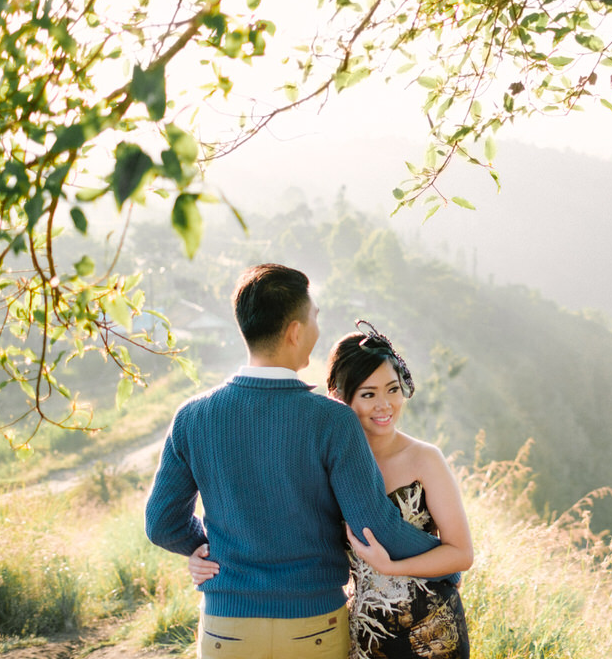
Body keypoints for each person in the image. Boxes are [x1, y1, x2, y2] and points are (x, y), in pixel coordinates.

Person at [145, 264, 453, 659]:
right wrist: (444, 562)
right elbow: (373, 525)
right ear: (294, 331)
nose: (317, 331)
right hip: (313, 629)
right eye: (314, 319)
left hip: (227, 627)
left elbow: (161, 524)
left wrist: (207, 550)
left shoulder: (193, 416)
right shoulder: (333, 419)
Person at [192, 320, 473, 659]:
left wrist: (392, 566)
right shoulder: (325, 464)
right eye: (368, 394)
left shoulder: (425, 459)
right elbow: (271, 524)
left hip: (431, 632)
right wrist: (202, 552)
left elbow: (461, 554)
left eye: (393, 389)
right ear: (339, 397)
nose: (385, 405)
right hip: (363, 632)